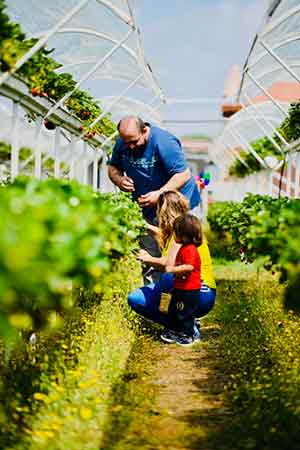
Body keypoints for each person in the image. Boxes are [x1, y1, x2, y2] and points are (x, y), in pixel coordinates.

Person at [108, 116, 201, 282]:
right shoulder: (123, 141)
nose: (129, 146)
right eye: (126, 142)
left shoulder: (164, 142)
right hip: (147, 205)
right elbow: (113, 167)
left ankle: (183, 294)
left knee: (178, 252)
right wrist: (119, 180)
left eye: (134, 142)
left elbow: (183, 174)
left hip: (176, 206)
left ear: (144, 131)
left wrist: (159, 193)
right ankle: (155, 296)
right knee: (150, 253)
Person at [127, 190, 216, 341]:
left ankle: (184, 328)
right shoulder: (186, 228)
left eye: (158, 209)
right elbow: (162, 234)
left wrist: (147, 258)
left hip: (198, 293)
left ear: (164, 211)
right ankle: (183, 324)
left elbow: (168, 264)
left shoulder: (179, 234)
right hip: (205, 295)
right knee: (136, 298)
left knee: (168, 278)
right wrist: (145, 226)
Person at [164, 214, 202, 346]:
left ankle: (189, 334)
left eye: (176, 232)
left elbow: (189, 267)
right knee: (175, 310)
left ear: (184, 234)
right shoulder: (183, 248)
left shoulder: (190, 249)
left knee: (184, 313)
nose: (174, 236)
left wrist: (172, 270)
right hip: (181, 288)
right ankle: (175, 331)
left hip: (189, 290)